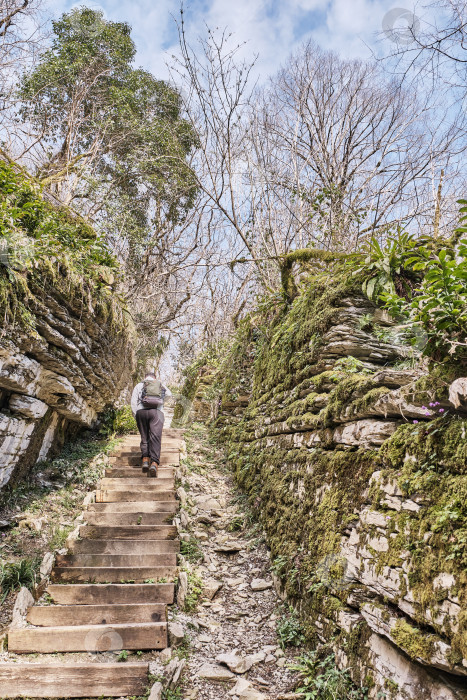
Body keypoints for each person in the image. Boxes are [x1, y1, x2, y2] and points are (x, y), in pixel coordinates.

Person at [130, 373, 172, 477]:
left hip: (141, 412)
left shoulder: (139, 385)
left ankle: (145, 460)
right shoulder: (159, 384)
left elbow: (133, 402)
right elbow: (169, 394)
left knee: (145, 437)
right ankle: (154, 463)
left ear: (145, 377)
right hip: (157, 412)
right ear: (155, 378)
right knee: (155, 438)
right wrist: (160, 402)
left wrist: (137, 415)